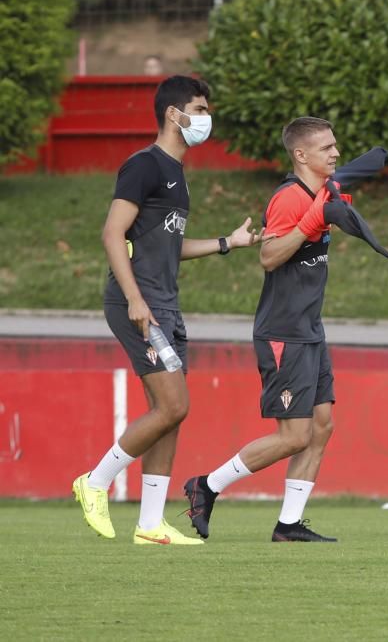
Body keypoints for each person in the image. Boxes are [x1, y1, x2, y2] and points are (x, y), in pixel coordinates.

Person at [73, 75, 269, 546]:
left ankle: (150, 524)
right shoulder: (143, 165)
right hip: (136, 302)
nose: (206, 118)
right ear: (173, 114)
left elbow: (168, 246)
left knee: (168, 411)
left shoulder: (178, 176)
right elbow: (111, 234)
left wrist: (229, 242)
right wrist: (136, 298)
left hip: (165, 302)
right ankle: (95, 481)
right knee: (175, 404)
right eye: (199, 109)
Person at [184, 116, 344, 543]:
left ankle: (288, 525)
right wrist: (312, 221)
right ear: (301, 154)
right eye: (327, 147)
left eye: (335, 146)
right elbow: (269, 257)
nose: (336, 153)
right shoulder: (290, 198)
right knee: (293, 437)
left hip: (311, 327)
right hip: (283, 332)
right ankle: (207, 485)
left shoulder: (323, 191)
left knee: (322, 425)